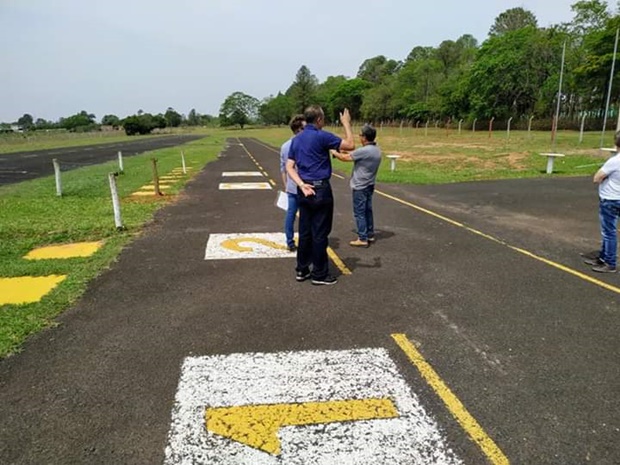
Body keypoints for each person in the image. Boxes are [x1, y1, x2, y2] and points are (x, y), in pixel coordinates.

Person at [286, 105, 355, 285]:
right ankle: (319, 274)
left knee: (305, 232)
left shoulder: (297, 139)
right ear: (318, 120)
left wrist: (301, 184)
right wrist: (346, 123)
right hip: (321, 189)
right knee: (320, 233)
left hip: (304, 189)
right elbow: (350, 145)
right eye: (323, 119)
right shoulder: (323, 136)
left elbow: (289, 167)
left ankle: (302, 269)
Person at [331, 124, 382, 248]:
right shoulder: (376, 150)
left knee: (359, 212)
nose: (359, 137)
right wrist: (344, 151)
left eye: (360, 135)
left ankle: (362, 237)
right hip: (369, 184)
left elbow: (345, 158)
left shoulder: (364, 151)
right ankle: (369, 233)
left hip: (360, 186)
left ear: (364, 137)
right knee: (367, 210)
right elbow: (355, 153)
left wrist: (333, 151)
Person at [584, 131, 620, 273]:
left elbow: (597, 178)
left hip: (610, 199)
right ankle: (603, 257)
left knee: (608, 231)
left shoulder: (614, 161)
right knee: (609, 231)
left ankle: (610, 261)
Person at [280, 115, 305, 251]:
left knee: (290, 214)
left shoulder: (285, 146)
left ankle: (289, 241)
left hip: (291, 186)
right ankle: (304, 240)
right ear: (299, 129)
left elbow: (283, 169)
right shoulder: (303, 144)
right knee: (305, 216)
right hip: (304, 186)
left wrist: (286, 186)